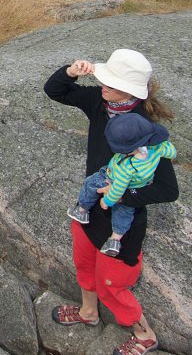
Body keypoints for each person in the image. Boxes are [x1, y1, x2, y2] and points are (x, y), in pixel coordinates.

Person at [44, 48, 179, 355]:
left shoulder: (146, 133)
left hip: (122, 224)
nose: (102, 85)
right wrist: (70, 72)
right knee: (84, 264)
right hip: (88, 209)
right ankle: (88, 312)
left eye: (111, 82)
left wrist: (122, 196)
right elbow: (55, 91)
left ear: (130, 91)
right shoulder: (100, 103)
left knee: (111, 285)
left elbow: (168, 189)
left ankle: (145, 334)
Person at [68, 110, 177, 256]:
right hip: (138, 185)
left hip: (112, 177)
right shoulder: (157, 148)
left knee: (90, 183)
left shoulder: (127, 167)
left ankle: (82, 210)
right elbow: (171, 151)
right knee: (124, 213)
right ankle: (115, 241)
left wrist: (107, 201)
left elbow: (118, 189)